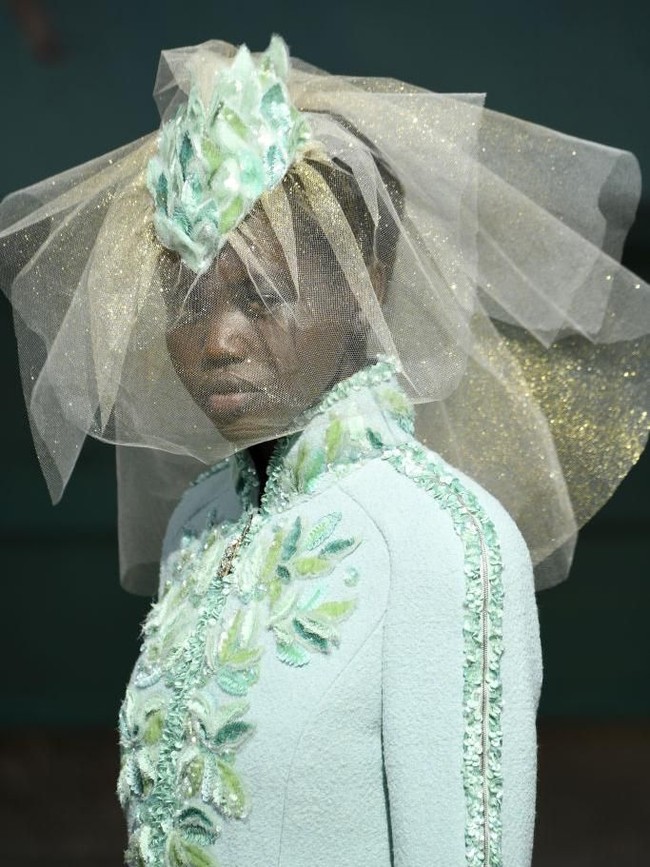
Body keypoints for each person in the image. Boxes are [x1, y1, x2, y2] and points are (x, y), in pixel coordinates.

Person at [1, 35, 648, 867]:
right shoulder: (199, 523)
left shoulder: (443, 544)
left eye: (261, 295)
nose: (217, 340)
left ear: (365, 279)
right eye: (187, 297)